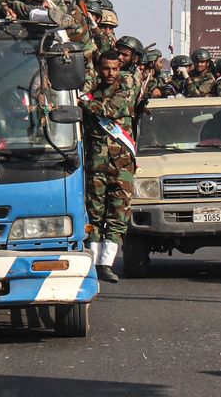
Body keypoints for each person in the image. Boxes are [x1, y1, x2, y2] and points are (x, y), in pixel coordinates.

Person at [79, 50, 138, 283]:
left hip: (122, 163)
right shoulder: (92, 89)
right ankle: (92, 262)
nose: (111, 73)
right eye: (106, 68)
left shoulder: (126, 87)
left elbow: (110, 110)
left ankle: (107, 263)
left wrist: (84, 103)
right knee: (94, 213)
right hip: (96, 163)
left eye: (115, 68)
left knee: (118, 213)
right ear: (99, 68)